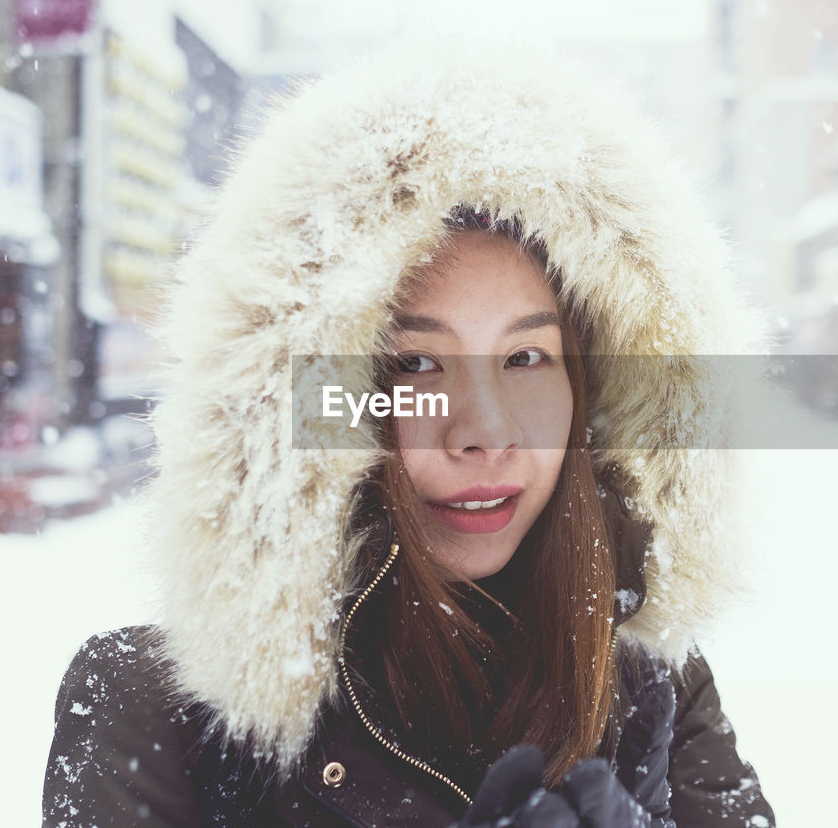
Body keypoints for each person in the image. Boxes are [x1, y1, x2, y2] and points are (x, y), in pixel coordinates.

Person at [42, 41, 776, 827]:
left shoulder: (651, 679)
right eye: (416, 363)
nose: (484, 433)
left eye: (526, 356)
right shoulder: (160, 708)